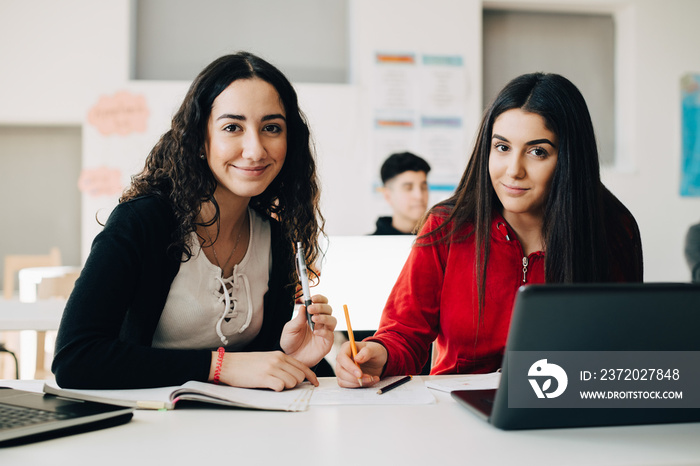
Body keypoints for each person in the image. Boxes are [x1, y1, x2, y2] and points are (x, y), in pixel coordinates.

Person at [336, 72, 644, 387]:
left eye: (537, 151)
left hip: (564, 408)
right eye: (502, 148)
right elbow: (405, 332)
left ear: (569, 158)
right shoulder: (447, 225)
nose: (513, 170)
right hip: (455, 414)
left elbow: (622, 349)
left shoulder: (612, 230)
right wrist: (377, 352)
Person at [52, 52, 337, 391]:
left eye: (271, 128)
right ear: (201, 139)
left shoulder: (274, 236)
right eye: (233, 127)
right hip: (144, 430)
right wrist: (218, 366)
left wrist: (295, 356)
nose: (255, 149)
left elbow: (256, 367)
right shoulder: (143, 221)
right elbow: (75, 359)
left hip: (240, 433)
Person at [372, 152, 431, 235]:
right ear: (388, 196)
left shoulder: (443, 241)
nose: (419, 196)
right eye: (408, 188)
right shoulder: (367, 245)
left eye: (423, 187)